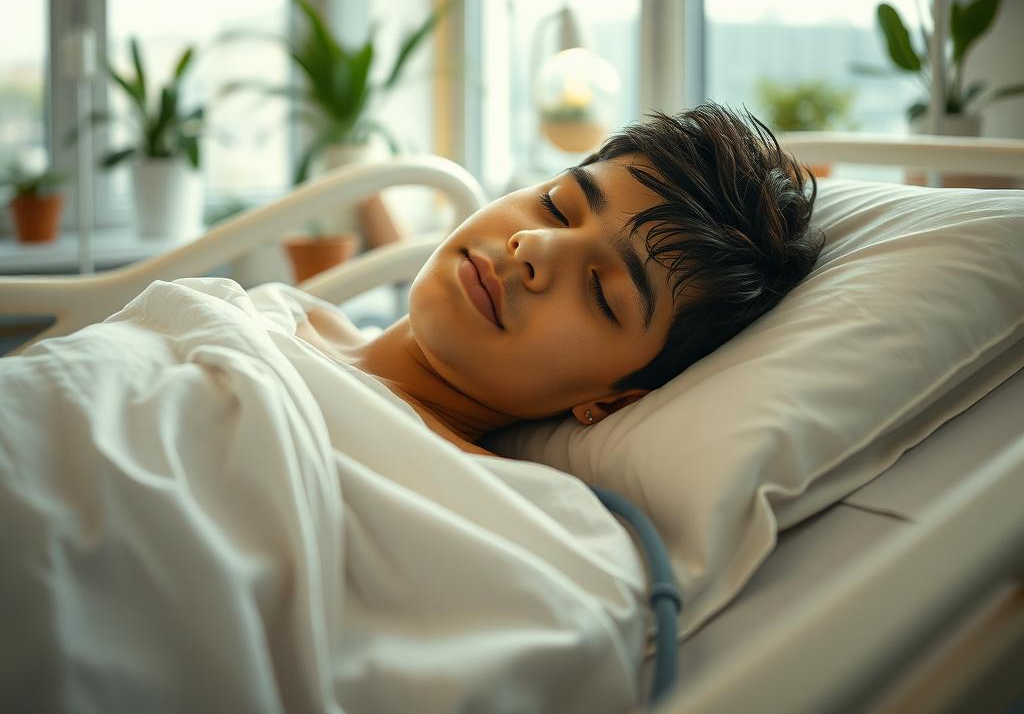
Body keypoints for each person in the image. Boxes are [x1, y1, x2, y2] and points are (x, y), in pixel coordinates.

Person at [296, 102, 825, 455]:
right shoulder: (290, 314)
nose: (533, 247)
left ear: (616, 399)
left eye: (600, 291)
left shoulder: (464, 511)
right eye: (556, 206)